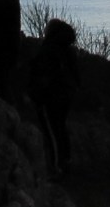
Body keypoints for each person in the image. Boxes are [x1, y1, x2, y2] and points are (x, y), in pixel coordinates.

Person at [28, 18, 80, 176]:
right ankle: (66, 161)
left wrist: (37, 96)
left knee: (51, 131)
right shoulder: (68, 50)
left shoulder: (48, 50)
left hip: (51, 96)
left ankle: (56, 166)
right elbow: (76, 75)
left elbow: (43, 76)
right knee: (60, 127)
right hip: (66, 95)